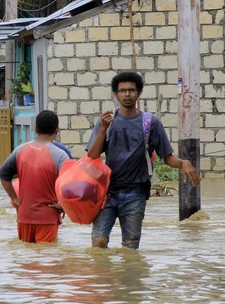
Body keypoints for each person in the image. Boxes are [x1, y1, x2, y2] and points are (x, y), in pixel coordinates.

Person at [86, 71, 201, 249]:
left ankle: (129, 276)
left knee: (130, 247)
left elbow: (168, 157)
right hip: (106, 194)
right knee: (99, 243)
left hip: (135, 193)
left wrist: (183, 163)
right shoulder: (107, 122)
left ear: (139, 93)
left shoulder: (150, 122)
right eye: (122, 91)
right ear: (115, 94)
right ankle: (105, 276)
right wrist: (102, 129)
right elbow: (92, 155)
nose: (127, 94)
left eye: (132, 90)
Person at [0, 110, 69, 243]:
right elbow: (70, 185)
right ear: (57, 131)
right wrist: (63, 205)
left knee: (26, 259)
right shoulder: (60, 155)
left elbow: (3, 175)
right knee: (44, 258)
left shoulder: (20, 150)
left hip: (24, 216)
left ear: (35, 129)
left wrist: (15, 199)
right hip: (47, 217)